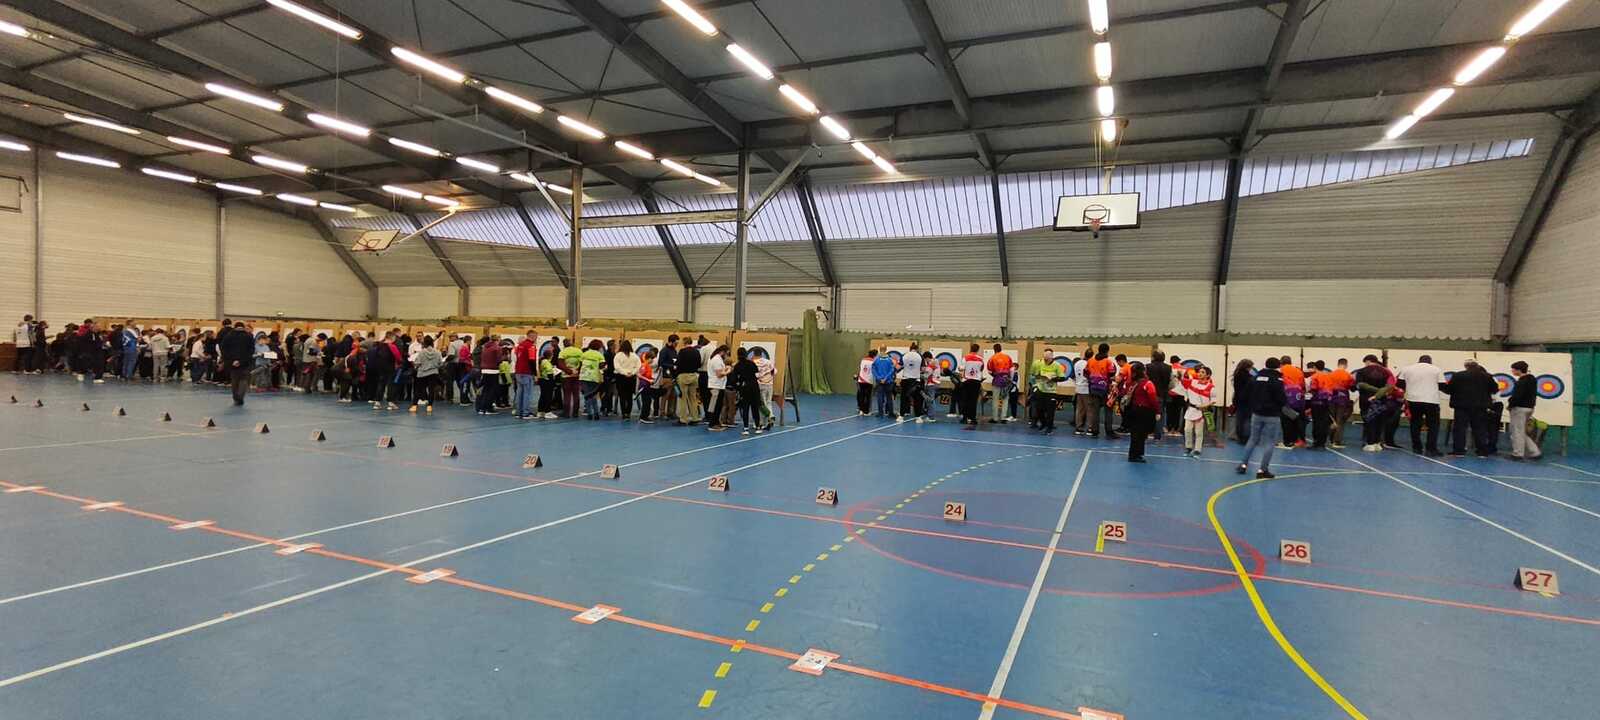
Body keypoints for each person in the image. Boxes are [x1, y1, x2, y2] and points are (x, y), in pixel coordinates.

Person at [1237, 357, 1286, 479]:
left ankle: (1243, 465)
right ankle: (1262, 470)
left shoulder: (1256, 378)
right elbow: (1282, 399)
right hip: (1272, 415)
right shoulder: (1278, 380)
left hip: (1256, 414)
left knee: (1252, 439)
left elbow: (1246, 394)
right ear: (1278, 366)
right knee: (1269, 442)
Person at [1442, 359, 1496, 457]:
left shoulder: (1458, 375)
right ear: (1477, 365)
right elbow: (1494, 389)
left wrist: (1441, 386)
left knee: (1460, 429)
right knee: (1480, 429)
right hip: (1480, 407)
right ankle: (1482, 452)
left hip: (1461, 407)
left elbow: (1449, 390)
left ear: (1466, 366)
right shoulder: (1487, 376)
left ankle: (1459, 451)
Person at [1396, 354, 1445, 456]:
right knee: (1433, 425)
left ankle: (1417, 447)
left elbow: (1400, 385)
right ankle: (1431, 449)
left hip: (1413, 399)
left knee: (1415, 424)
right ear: (1430, 361)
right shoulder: (1436, 369)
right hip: (1432, 400)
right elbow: (1442, 386)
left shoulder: (1407, 369)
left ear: (1419, 361)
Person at [1354, 355, 1399, 452]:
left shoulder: (1361, 371)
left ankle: (1370, 443)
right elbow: (1390, 386)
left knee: (1369, 420)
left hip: (1366, 399)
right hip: (1382, 399)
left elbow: (1360, 384)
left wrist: (1375, 391)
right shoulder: (1386, 371)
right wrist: (1380, 392)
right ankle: (1377, 443)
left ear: (1368, 361)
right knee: (1380, 420)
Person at [1124, 362, 1159, 462]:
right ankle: (1136, 455)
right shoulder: (1148, 383)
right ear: (1143, 372)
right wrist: (1157, 411)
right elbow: (1153, 399)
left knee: (1135, 433)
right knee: (1141, 434)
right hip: (1144, 411)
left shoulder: (1131, 383)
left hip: (1133, 410)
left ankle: (1134, 454)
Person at [1507, 361, 1541, 461]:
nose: (1512, 371)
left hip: (1520, 408)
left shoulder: (1521, 382)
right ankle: (1534, 452)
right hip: (1529, 408)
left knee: (1517, 431)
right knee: (1521, 431)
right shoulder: (1532, 380)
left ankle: (1518, 454)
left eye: (1513, 369)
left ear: (1518, 370)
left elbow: (1517, 396)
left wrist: (1510, 404)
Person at [1181, 366, 1215, 458]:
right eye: (1199, 372)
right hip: (1190, 410)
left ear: (1208, 375)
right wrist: (1182, 372)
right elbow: (1182, 380)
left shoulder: (1211, 387)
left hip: (1201, 412)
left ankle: (1197, 450)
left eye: (1203, 372)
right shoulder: (1192, 382)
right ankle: (1188, 447)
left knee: (1198, 432)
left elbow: (1213, 401)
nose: (1200, 374)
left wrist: (1203, 406)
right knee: (1187, 430)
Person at [1029, 348, 1065, 435]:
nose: (1045, 358)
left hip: (1051, 391)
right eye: (1044, 356)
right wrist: (1039, 377)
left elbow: (1062, 377)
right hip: (1041, 389)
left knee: (1050, 411)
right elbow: (1034, 375)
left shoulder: (1057, 365)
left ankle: (1049, 428)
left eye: (1047, 356)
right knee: (1039, 409)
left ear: (1051, 357)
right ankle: (1043, 423)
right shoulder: (1040, 363)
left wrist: (1053, 379)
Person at [218, 321, 255, 406]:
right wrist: (241, 361)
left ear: (235, 327)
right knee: (243, 380)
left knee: (234, 380)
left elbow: (223, 349)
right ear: (243, 327)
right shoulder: (249, 336)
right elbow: (251, 351)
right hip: (245, 363)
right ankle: (240, 397)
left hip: (232, 363)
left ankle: (235, 398)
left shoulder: (228, 336)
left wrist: (232, 361)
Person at [1084, 344, 1117, 439]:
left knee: (1095, 410)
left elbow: (1085, 372)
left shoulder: (1090, 361)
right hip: (1105, 389)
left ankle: (1095, 430)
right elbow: (1112, 374)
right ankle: (1109, 431)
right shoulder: (1108, 361)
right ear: (1107, 351)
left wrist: (1092, 380)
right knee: (1108, 410)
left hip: (1093, 388)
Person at [731, 347, 762, 435]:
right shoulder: (751, 363)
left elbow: (734, 380)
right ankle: (758, 427)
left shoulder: (737, 366)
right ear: (746, 354)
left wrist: (738, 387)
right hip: (754, 387)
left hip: (744, 388)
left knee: (745, 408)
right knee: (755, 408)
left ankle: (746, 429)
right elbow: (757, 375)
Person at [1277, 356, 1306, 449]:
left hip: (1286, 397)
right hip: (1298, 397)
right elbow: (1303, 385)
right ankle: (1297, 440)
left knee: (1286, 420)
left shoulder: (1280, 370)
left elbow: (1278, 384)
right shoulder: (1298, 371)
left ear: (1281, 363)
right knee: (1297, 419)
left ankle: (1288, 442)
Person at [674, 336, 703, 425]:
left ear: (685, 342)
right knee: (693, 398)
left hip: (683, 376)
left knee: (683, 398)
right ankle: (695, 418)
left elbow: (678, 364)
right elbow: (699, 364)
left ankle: (683, 419)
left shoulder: (682, 351)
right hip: (693, 376)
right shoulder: (696, 352)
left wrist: (676, 374)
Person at [1327, 358, 1354, 449]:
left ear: (1338, 364)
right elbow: (1352, 387)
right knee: (1340, 420)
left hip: (1331, 398)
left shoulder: (1330, 374)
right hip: (1342, 398)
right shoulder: (1348, 375)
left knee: (1332, 419)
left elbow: (1327, 386)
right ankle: (1337, 441)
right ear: (1346, 365)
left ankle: (1331, 439)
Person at [706, 345, 734, 430]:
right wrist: (729, 371)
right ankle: (712, 424)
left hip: (718, 385)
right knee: (715, 406)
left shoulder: (717, 359)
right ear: (723, 352)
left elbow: (719, 371)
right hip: (716, 386)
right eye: (727, 354)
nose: (726, 356)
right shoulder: (716, 360)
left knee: (717, 406)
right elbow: (719, 374)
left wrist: (725, 368)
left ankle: (716, 422)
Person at [413, 336, 443, 411]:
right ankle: (429, 406)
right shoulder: (438, 352)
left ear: (424, 343)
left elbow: (417, 363)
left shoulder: (421, 352)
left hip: (422, 374)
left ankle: (414, 406)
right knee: (431, 390)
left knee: (418, 389)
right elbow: (440, 363)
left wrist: (416, 365)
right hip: (433, 373)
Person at [1146, 350, 1172, 439]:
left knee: (1148, 413)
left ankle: (1149, 431)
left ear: (1153, 357)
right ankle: (1157, 434)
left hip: (1149, 393)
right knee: (1160, 414)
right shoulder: (1168, 367)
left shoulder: (1148, 367)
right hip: (1162, 394)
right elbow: (1170, 382)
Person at [474, 335, 501, 416]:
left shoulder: (485, 347)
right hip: (493, 370)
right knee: (491, 391)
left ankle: (481, 408)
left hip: (484, 370)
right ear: (497, 340)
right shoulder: (497, 348)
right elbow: (499, 359)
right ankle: (488, 408)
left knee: (485, 390)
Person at [578, 339, 606, 421]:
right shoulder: (599, 355)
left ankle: (589, 414)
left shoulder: (584, 354)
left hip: (583, 376)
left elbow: (580, 365)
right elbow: (602, 366)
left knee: (587, 396)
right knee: (593, 395)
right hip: (594, 377)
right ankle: (596, 413)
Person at [514, 331, 538, 419]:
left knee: (520, 393)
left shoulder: (520, 345)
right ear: (533, 336)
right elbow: (532, 361)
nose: (536, 339)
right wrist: (535, 374)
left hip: (518, 372)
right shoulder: (531, 346)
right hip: (527, 372)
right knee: (527, 393)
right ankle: (526, 413)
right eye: (536, 337)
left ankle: (518, 412)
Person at [987, 344, 1014, 424]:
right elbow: (1012, 369)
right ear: (1001, 349)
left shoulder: (992, 358)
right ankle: (1003, 418)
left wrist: (994, 375)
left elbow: (989, 371)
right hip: (1006, 380)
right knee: (1005, 399)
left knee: (995, 399)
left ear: (994, 349)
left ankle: (995, 418)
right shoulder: (1007, 357)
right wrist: (1010, 379)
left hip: (997, 380)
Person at [613, 340, 640, 420]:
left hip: (621, 377)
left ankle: (624, 413)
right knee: (629, 396)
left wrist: (625, 373)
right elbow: (638, 366)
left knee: (622, 396)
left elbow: (617, 367)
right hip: (631, 377)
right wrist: (632, 373)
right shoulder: (634, 355)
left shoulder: (618, 355)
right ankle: (628, 413)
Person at [1230, 359, 1255, 444]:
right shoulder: (1250, 378)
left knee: (1239, 420)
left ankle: (1239, 437)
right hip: (1248, 401)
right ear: (1248, 367)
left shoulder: (1236, 375)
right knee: (1247, 420)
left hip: (1238, 400)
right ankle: (1245, 438)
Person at [898, 343, 924, 421]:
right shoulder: (920, 356)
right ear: (917, 349)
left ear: (910, 349)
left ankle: (901, 416)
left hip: (905, 380)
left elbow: (898, 367)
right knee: (917, 399)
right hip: (916, 381)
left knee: (904, 399)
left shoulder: (904, 355)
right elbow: (923, 369)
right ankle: (918, 417)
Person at [557, 339, 582, 418]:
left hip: (566, 376)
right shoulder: (579, 351)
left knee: (567, 394)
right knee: (576, 394)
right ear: (572, 343)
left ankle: (566, 413)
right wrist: (577, 371)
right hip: (576, 375)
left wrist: (569, 371)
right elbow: (582, 363)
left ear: (564, 344)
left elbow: (560, 364)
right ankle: (575, 413)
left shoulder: (562, 352)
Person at [1165, 355, 1187, 434]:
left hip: (1170, 393)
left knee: (1169, 411)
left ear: (1171, 361)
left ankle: (1169, 427)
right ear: (1179, 361)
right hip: (1180, 393)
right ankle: (1176, 428)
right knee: (1178, 412)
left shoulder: (1168, 369)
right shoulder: (1185, 369)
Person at [1072, 347, 1092, 435]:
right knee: (1089, 410)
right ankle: (1090, 428)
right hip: (1086, 389)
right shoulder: (1089, 363)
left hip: (1078, 388)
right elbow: (1090, 376)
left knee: (1079, 409)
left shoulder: (1077, 363)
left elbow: (1073, 375)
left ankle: (1078, 428)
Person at [871, 349, 896, 418]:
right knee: (889, 398)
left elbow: (873, 370)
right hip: (888, 381)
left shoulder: (876, 360)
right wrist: (885, 378)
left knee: (880, 397)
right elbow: (892, 370)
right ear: (886, 349)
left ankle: (880, 413)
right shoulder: (889, 360)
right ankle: (890, 413)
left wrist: (879, 378)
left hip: (879, 382)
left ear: (880, 349)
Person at [856, 349, 876, 416]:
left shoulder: (863, 360)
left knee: (861, 395)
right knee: (867, 396)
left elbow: (860, 369)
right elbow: (874, 371)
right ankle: (866, 411)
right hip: (868, 381)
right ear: (874, 355)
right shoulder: (873, 361)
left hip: (861, 380)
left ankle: (861, 410)